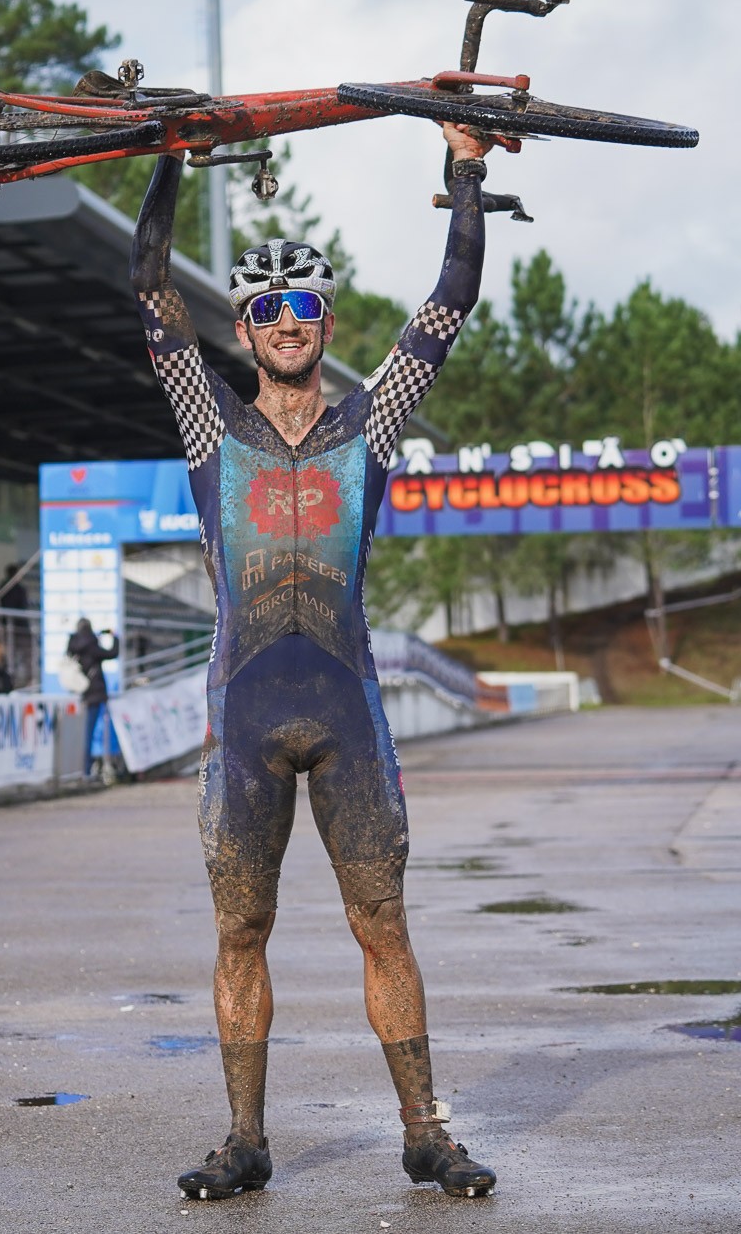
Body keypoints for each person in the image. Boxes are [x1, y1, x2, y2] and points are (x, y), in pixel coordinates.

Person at [132, 123, 497, 1200]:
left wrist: (464, 168)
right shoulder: (211, 428)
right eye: (264, 310)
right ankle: (243, 1139)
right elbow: (148, 289)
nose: (287, 324)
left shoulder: (367, 423)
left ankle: (425, 1130)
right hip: (244, 714)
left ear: (324, 322)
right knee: (240, 925)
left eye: (303, 308)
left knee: (380, 922)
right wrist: (165, 156)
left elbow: (450, 302)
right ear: (243, 329)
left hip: (347, 709)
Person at [65, 618, 117, 779]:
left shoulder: (73, 646)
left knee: (86, 732)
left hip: (82, 694)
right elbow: (113, 653)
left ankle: (87, 768)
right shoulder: (93, 647)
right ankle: (91, 768)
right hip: (97, 693)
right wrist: (115, 637)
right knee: (94, 732)